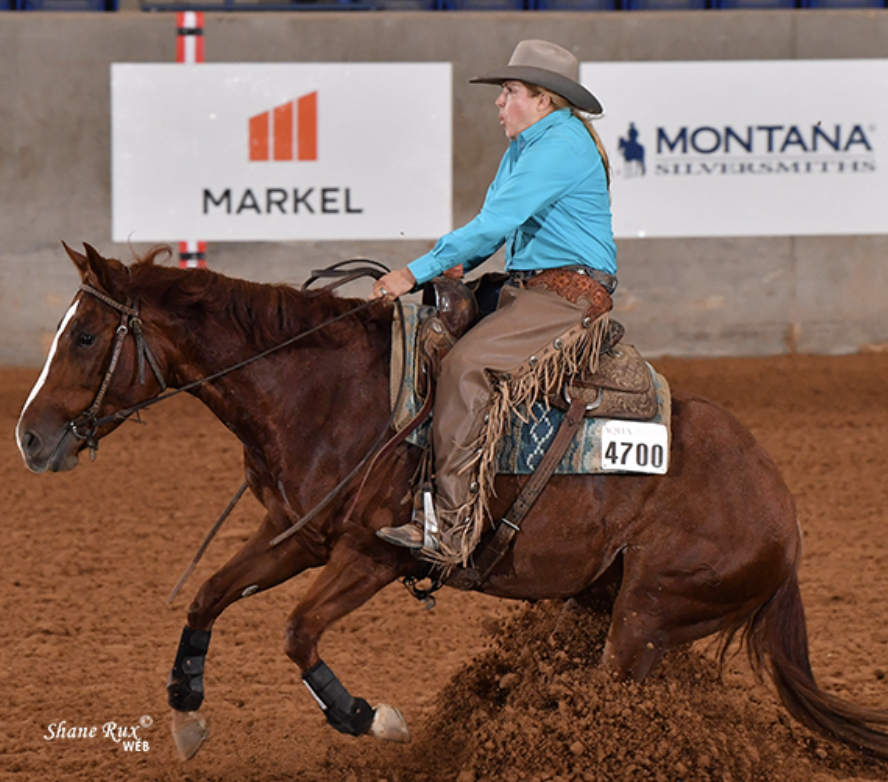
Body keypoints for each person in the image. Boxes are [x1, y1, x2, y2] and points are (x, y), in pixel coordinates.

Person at [371, 39, 617, 568]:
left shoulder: (559, 145)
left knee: (465, 367)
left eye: (509, 92)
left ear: (543, 100)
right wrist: (455, 263)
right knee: (432, 334)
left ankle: (452, 531)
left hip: (565, 294)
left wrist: (415, 271)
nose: (498, 103)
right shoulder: (528, 147)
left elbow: (495, 223)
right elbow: (494, 226)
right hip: (532, 285)